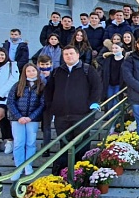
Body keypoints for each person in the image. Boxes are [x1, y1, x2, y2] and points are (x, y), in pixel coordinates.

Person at [44, 45, 103, 174]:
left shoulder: (88, 70)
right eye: (66, 54)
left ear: (77, 55)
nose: (68, 56)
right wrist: (52, 106)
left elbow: (96, 87)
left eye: (71, 53)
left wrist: (93, 103)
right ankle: (65, 173)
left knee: (82, 143)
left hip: (82, 114)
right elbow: (49, 90)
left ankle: (81, 173)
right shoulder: (57, 71)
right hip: (61, 115)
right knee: (64, 144)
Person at [6, 63, 45, 180]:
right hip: (18, 119)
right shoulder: (18, 85)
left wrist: (31, 117)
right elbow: (10, 102)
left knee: (30, 143)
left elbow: (42, 104)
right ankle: (19, 167)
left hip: (32, 119)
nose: (31, 73)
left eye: (33, 70)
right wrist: (18, 116)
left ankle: (28, 165)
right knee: (19, 143)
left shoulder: (41, 86)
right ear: (24, 73)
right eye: (28, 71)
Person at [98, 42, 125, 111]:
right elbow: (99, 59)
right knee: (109, 103)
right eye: (113, 48)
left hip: (119, 85)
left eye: (116, 48)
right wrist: (108, 54)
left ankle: (115, 121)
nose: (114, 50)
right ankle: (110, 120)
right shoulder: (109, 59)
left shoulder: (125, 61)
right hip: (109, 84)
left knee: (116, 104)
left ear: (122, 49)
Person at [36, 55, 54, 156]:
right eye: (42, 64)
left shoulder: (54, 75)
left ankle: (46, 148)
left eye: (47, 64)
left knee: (46, 127)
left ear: (50, 64)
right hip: (36, 104)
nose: (45, 67)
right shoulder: (36, 75)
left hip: (48, 105)